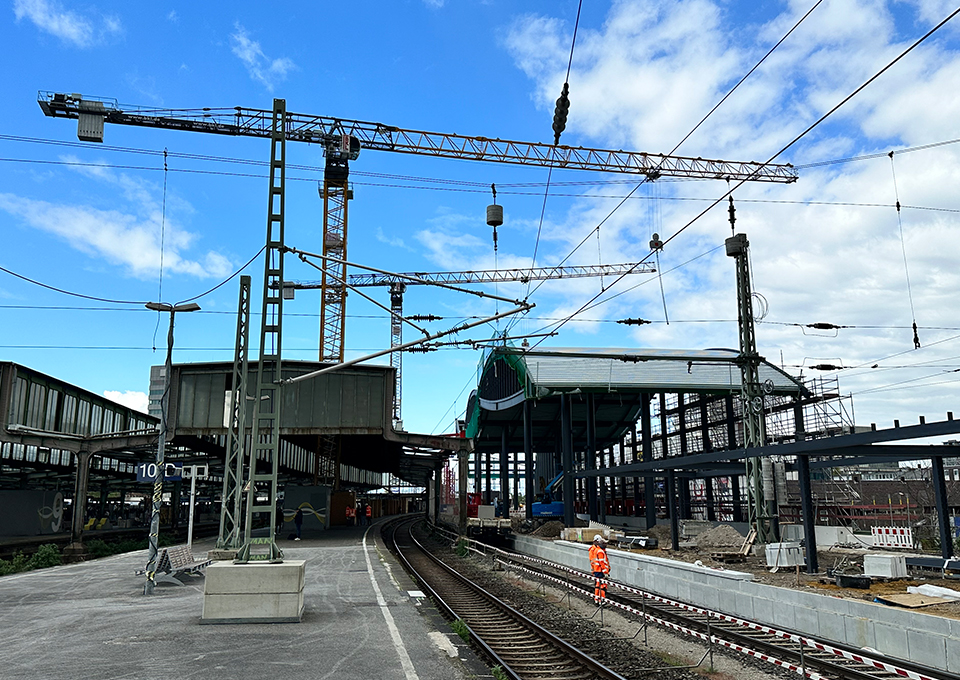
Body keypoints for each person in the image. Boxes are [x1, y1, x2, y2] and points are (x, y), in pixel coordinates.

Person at [588, 535, 610, 605]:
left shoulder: (596, 550)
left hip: (597, 570)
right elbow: (601, 562)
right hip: (600, 571)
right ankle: (601, 600)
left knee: (598, 585)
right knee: (602, 586)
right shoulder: (598, 551)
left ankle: (597, 599)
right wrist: (605, 572)